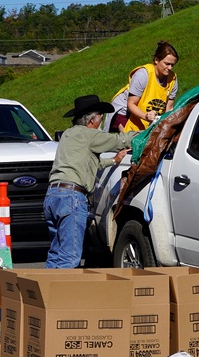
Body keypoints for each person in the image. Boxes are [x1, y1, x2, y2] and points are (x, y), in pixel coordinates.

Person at [45, 95, 138, 269]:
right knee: (69, 257)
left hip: (53, 196)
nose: (101, 123)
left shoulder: (68, 134)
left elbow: (84, 161)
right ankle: (64, 295)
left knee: (56, 253)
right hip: (71, 197)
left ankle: (45, 291)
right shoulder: (90, 135)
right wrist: (149, 132)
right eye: (101, 118)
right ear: (92, 120)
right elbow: (120, 141)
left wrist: (113, 161)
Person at [109, 41, 179, 133]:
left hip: (148, 111)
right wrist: (145, 116)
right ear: (156, 60)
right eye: (167, 64)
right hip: (125, 111)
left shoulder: (172, 79)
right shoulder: (143, 74)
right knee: (128, 142)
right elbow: (131, 104)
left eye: (172, 65)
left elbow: (169, 108)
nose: (170, 68)